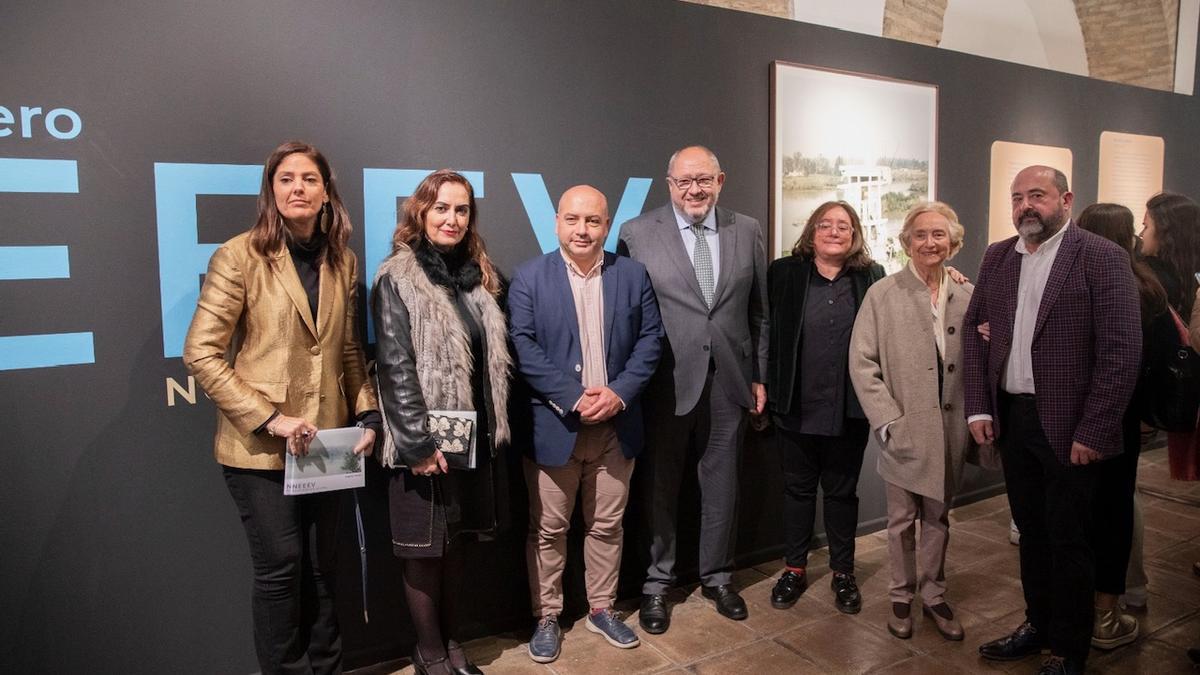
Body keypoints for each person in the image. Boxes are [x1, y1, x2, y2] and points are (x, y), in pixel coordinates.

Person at [183, 141, 380, 675]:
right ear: (271, 191)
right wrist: (270, 418)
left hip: (327, 447)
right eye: (286, 178)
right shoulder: (239, 254)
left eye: (310, 179)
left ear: (326, 192)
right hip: (259, 449)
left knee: (323, 569)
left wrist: (367, 412)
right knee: (281, 570)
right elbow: (200, 351)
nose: (299, 188)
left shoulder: (344, 259)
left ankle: (328, 667)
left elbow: (346, 349)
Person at [965, 166, 1141, 675]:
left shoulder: (1101, 257)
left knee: (1069, 539)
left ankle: (1068, 647)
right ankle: (1037, 625)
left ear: (1065, 199)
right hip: (1015, 419)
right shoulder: (998, 256)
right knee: (1031, 531)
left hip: (1070, 425)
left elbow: (1120, 353)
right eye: (1017, 197)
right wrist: (979, 405)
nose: (1025, 206)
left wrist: (1095, 429)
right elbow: (976, 344)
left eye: (1036, 195)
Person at [508, 185, 664, 663]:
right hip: (555, 426)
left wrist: (617, 394)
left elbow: (651, 341)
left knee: (607, 526)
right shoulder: (529, 277)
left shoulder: (632, 274)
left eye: (593, 221)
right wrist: (574, 399)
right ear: (557, 222)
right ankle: (548, 616)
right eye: (573, 220)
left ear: (607, 224)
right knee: (549, 530)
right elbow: (523, 347)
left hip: (617, 427)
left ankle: (601, 608)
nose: (583, 230)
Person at [617, 145, 769, 631]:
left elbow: (760, 312)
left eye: (703, 180)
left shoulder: (746, 229)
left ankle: (718, 576)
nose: (694, 190)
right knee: (660, 487)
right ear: (669, 184)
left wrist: (759, 373)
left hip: (730, 381)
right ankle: (657, 585)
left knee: (723, 486)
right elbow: (626, 318)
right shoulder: (637, 234)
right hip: (664, 384)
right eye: (684, 181)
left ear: (721, 180)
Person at [372, 169, 511, 675]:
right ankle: (428, 652)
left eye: (461, 210)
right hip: (423, 446)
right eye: (441, 209)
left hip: (469, 443)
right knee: (423, 554)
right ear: (421, 214)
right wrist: (416, 445)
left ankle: (452, 644)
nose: (452, 219)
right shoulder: (397, 278)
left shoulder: (478, 277)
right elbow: (394, 365)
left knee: (456, 550)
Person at [848, 201, 972, 640]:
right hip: (903, 429)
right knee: (901, 519)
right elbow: (862, 363)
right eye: (920, 235)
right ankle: (901, 594)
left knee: (939, 517)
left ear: (953, 243)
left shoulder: (967, 295)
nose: (929, 243)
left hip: (949, 431)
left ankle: (934, 593)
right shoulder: (882, 294)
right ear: (906, 243)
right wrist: (888, 421)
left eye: (939, 235)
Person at [765, 200, 885, 615]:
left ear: (854, 234)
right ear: (811, 231)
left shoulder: (872, 277)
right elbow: (764, 330)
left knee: (841, 493)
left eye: (844, 226)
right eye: (825, 224)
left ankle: (843, 573)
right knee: (797, 491)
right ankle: (794, 569)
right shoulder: (784, 273)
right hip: (795, 404)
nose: (834, 231)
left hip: (848, 408)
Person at [1075, 202, 1172, 650]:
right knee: (1114, 509)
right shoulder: (1148, 286)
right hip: (1126, 417)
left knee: (1091, 512)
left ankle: (1092, 611)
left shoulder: (1091, 285)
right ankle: (1106, 612)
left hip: (1088, 416)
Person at [1140, 192, 1200, 480]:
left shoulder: (1151, 277)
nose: (1141, 235)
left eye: (1146, 226)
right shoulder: (1190, 274)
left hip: (1159, 391)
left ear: (1165, 232)